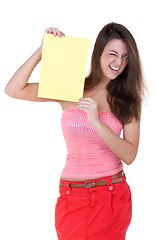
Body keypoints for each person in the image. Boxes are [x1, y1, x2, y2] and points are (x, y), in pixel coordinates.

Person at [4, 23, 146, 240]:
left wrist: (97, 122)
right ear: (99, 53)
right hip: (72, 196)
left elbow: (129, 155)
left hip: (111, 194)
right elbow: (14, 89)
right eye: (113, 54)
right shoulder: (71, 88)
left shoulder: (128, 100)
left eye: (126, 56)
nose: (119, 62)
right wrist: (43, 50)